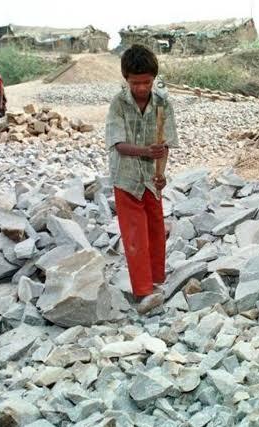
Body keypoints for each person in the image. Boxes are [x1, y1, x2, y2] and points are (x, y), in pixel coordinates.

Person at [105, 44, 178, 312]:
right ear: (126, 79)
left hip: (150, 178)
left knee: (155, 229)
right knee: (134, 233)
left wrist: (162, 172)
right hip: (125, 178)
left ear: (154, 79)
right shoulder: (118, 104)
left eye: (147, 82)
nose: (141, 88)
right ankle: (143, 290)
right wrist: (147, 151)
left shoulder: (162, 103)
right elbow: (119, 145)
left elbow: (165, 144)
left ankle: (157, 279)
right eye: (135, 83)